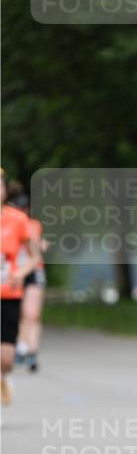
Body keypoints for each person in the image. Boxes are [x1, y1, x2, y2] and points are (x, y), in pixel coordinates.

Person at [1, 170, 39, 404]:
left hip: (9, 294)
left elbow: (35, 256)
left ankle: (3, 377)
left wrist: (20, 273)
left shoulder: (17, 220)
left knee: (6, 359)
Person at [9, 185, 47, 372]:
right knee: (21, 315)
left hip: (33, 271)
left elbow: (36, 248)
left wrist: (41, 245)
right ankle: (21, 346)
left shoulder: (33, 225)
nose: (23, 212)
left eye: (25, 209)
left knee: (32, 314)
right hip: (15, 272)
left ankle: (31, 350)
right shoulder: (9, 223)